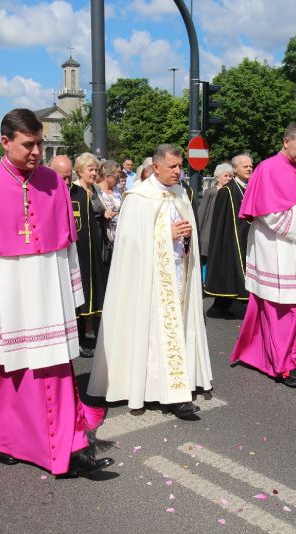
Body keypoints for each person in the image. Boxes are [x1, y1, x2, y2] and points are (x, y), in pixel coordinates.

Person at [0, 108, 114, 477]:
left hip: (47, 292)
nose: (36, 151)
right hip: (6, 293)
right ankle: (4, 438)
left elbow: (66, 246)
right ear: (6, 142)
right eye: (28, 144)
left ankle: (68, 443)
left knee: (54, 369)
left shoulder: (53, 181)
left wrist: (71, 296)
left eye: (39, 143)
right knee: (4, 371)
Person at [88, 144, 213, 420]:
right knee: (156, 337)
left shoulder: (181, 194)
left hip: (179, 273)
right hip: (151, 279)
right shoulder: (138, 196)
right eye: (173, 166)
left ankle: (180, 383)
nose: (179, 172)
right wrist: (165, 233)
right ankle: (170, 395)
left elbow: (188, 230)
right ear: (156, 167)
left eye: (180, 166)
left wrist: (187, 237)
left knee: (177, 331)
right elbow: (128, 242)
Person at [230, 122, 296, 388]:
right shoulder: (267, 168)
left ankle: (284, 359)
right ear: (286, 141)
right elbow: (265, 212)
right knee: (280, 308)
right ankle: (283, 366)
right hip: (275, 248)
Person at [50, 154, 107, 359]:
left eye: (68, 177)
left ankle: (86, 338)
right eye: (62, 178)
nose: (66, 182)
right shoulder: (46, 194)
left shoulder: (81, 194)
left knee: (86, 295)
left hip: (84, 253)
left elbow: (89, 226)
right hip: (58, 256)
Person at [204, 153, 254, 317]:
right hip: (233, 239)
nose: (249, 168)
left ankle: (223, 304)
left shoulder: (250, 187)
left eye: (250, 165)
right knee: (237, 271)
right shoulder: (227, 191)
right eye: (244, 165)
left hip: (250, 236)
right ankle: (245, 305)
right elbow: (222, 224)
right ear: (235, 169)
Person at [197, 162, 233, 279]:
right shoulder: (211, 192)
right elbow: (201, 212)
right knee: (205, 260)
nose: (228, 178)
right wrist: (198, 232)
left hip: (223, 232)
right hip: (208, 232)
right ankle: (203, 283)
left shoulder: (231, 192)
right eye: (226, 176)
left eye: (230, 176)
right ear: (217, 177)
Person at [96, 160, 122, 270]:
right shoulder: (97, 192)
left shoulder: (118, 191)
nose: (119, 180)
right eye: (116, 177)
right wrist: (104, 216)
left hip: (119, 238)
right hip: (106, 240)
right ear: (107, 176)